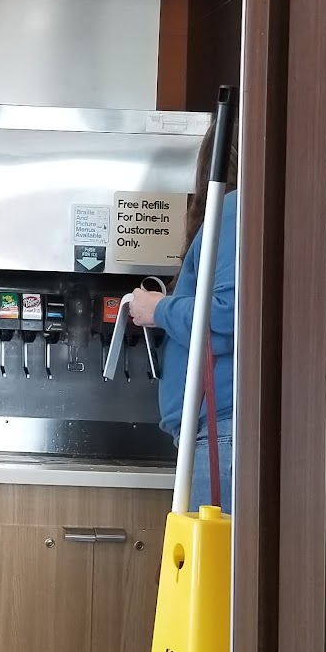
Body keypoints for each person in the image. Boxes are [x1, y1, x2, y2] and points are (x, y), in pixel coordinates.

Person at [125, 120, 238, 511]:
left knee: (213, 553)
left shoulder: (234, 210)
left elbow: (226, 319)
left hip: (221, 432)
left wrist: (158, 309)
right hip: (219, 430)